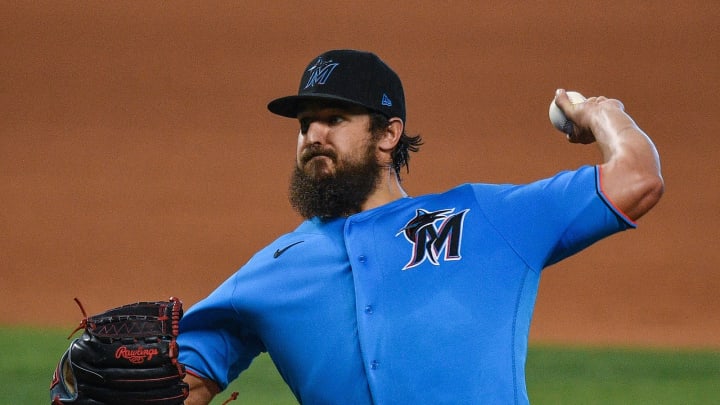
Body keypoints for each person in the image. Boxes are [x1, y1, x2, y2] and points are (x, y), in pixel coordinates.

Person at [177, 49, 664, 404]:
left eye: (335, 118)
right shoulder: (269, 274)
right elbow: (181, 383)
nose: (313, 136)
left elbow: (636, 180)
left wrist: (605, 112)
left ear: (388, 133)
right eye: (305, 124)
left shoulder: (484, 218)